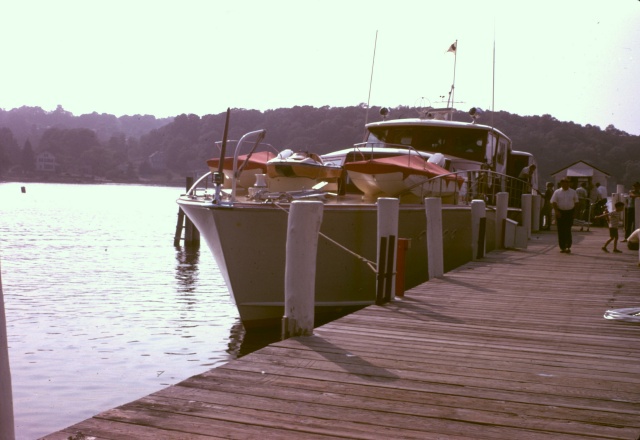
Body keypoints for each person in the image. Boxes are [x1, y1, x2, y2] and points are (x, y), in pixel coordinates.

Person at [551, 178, 579, 253]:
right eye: (563, 182)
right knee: (560, 230)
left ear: (569, 183)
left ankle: (568, 246)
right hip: (560, 212)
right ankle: (562, 247)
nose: (565, 184)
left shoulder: (573, 192)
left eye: (567, 182)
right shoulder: (557, 192)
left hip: (569, 212)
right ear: (561, 183)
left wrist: (575, 213)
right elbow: (554, 202)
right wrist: (556, 211)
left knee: (568, 229)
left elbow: (576, 202)